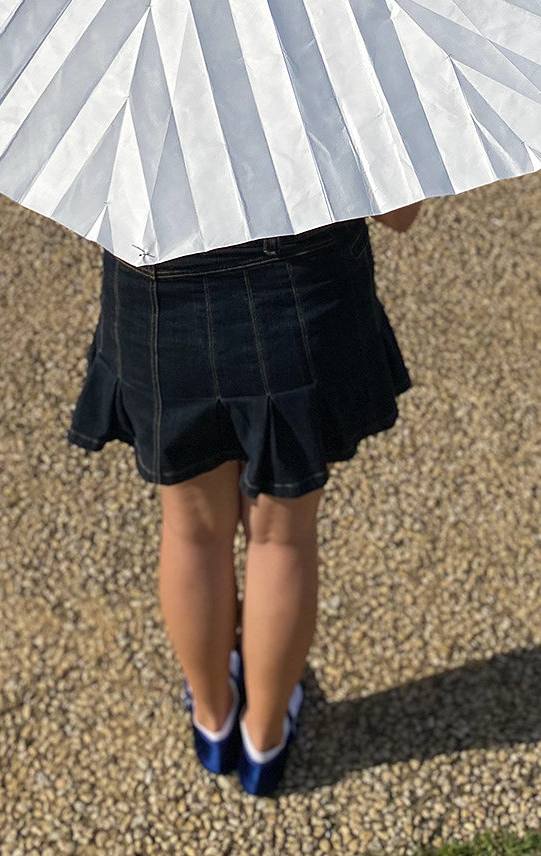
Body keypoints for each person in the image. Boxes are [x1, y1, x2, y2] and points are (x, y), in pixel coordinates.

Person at [67, 201, 422, 796]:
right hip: (301, 289)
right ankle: (263, 739)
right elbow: (401, 211)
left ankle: (213, 719)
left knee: (191, 531)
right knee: (282, 534)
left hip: (159, 294)